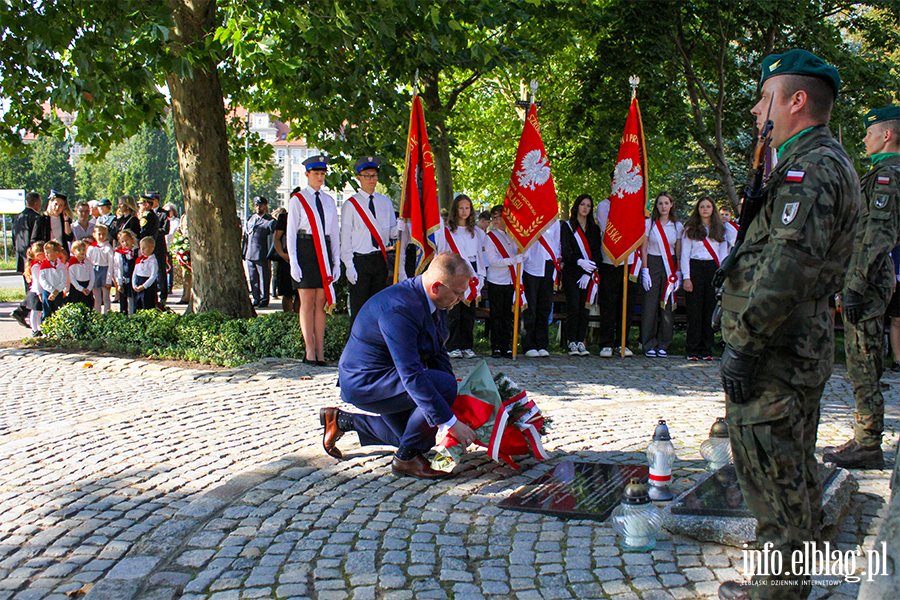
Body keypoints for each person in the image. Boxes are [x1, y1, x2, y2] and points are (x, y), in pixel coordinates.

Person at [717, 49, 860, 600]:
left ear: (796, 101)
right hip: (796, 346)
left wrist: (744, 344)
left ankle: (777, 596)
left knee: (773, 482)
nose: (757, 111)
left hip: (777, 351)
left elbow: (788, 265)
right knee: (794, 475)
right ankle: (786, 588)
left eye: (765, 97)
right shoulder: (812, 160)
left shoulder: (811, 167)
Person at [323, 252, 478, 479]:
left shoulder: (432, 300)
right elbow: (412, 375)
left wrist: (454, 402)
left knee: (414, 437)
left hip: (389, 377)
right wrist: (450, 421)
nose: (462, 297)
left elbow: (438, 351)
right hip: (367, 381)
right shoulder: (400, 308)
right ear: (436, 287)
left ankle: (342, 421)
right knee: (441, 390)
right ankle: (405, 460)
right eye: (457, 292)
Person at [823, 106, 900, 470]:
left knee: (864, 362)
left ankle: (869, 444)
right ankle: (864, 435)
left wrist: (855, 286)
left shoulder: (888, 178)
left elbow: (878, 236)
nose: (864, 138)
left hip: (868, 279)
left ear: (887, 135)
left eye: (870, 132)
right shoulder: (879, 175)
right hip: (864, 276)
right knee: (860, 360)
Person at [287, 155, 341, 366]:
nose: (320, 177)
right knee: (307, 302)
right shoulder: (298, 199)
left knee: (322, 303)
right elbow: (291, 234)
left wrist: (336, 261)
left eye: (322, 174)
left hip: (324, 250)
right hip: (306, 249)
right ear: (307, 174)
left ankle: (320, 350)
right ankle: (309, 349)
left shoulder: (328, 200)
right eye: (316, 173)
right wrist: (294, 261)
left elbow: (334, 233)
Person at [341, 156, 398, 324]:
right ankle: (356, 348)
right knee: (359, 310)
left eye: (374, 175)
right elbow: (345, 239)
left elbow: (391, 234)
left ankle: (375, 346)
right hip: (360, 261)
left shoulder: (385, 202)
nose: (372, 179)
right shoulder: (350, 205)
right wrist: (349, 266)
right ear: (359, 178)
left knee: (377, 309)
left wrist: (402, 227)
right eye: (367, 176)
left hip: (379, 259)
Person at [436, 194, 485, 359]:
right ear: (455, 209)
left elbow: (479, 254)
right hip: (454, 270)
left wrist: (480, 275)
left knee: (468, 311)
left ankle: (467, 345)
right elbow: (441, 251)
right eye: (461, 208)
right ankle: (453, 345)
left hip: (471, 269)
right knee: (454, 310)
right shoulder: (448, 231)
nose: (464, 211)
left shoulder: (476, 231)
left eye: (467, 208)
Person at [681, 197, 727, 361]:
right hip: (695, 269)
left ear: (713, 209)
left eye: (708, 206)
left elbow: (723, 255)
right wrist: (687, 277)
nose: (705, 209)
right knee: (694, 311)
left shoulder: (720, 229)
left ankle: (707, 349)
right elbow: (685, 255)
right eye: (702, 206)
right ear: (698, 209)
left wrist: (721, 276)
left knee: (709, 310)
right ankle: (693, 349)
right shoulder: (691, 229)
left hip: (712, 270)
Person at [639, 192, 682, 358]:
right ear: (656, 206)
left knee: (667, 305)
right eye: (660, 203)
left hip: (670, 266)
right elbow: (644, 249)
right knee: (649, 305)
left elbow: (678, 250)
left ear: (671, 205)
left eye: (666, 203)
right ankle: (648, 343)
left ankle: (664, 343)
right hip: (653, 263)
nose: (663, 206)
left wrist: (677, 272)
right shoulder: (649, 223)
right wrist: (645, 270)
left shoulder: (677, 226)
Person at [560, 193, 601, 356]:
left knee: (585, 308)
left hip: (589, 275)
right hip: (572, 272)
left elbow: (597, 253)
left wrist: (588, 272)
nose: (585, 208)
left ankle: (580, 341)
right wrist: (579, 262)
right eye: (583, 204)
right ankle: (571, 342)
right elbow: (566, 251)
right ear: (577, 206)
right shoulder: (567, 227)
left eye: (588, 205)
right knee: (573, 307)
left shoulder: (594, 229)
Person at [595, 194, 636, 358]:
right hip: (610, 260)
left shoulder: (634, 204)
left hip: (630, 261)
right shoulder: (604, 205)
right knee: (608, 303)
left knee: (626, 304)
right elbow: (607, 228)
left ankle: (622, 342)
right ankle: (606, 343)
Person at [484, 205, 524, 358]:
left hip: (511, 281)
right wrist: (513, 260)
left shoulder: (513, 235)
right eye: (493, 218)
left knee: (509, 315)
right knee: (496, 315)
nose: (495, 220)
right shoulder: (490, 237)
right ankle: (495, 346)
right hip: (496, 280)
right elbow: (493, 261)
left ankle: (507, 345)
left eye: (498, 217)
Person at [521, 218, 560, 358]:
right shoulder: (530, 216)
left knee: (544, 306)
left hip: (548, 263)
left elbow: (556, 244)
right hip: (531, 264)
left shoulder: (554, 221)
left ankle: (542, 343)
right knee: (530, 306)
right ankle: (528, 344)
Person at [243, 196, 277, 308]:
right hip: (250, 253)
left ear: (265, 206)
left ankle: (264, 298)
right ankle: (256, 297)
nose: (258, 207)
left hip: (262, 254)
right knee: (252, 278)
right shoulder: (250, 219)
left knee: (263, 277)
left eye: (260, 205)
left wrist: (270, 254)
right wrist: (244, 251)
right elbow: (246, 237)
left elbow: (273, 240)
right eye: (256, 205)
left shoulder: (270, 221)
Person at [142, 192, 170, 307]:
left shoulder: (163, 213)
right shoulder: (145, 213)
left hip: (158, 246)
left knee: (161, 271)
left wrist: (153, 231)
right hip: (147, 246)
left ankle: (163, 296)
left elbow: (165, 229)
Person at [14, 192, 41, 293]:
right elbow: (35, 237)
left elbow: (14, 237)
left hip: (21, 253)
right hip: (32, 254)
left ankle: (28, 304)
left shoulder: (17, 217)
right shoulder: (36, 217)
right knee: (35, 284)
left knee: (27, 282)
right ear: (36, 203)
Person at [86, 225, 114, 314]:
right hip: (94, 270)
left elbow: (111, 264)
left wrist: (108, 280)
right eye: (99, 234)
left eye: (104, 234)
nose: (101, 236)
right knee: (96, 297)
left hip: (104, 271)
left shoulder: (108, 248)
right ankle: (97, 314)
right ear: (94, 235)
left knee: (106, 297)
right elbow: (88, 262)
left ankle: (107, 315)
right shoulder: (91, 247)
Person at [38, 240, 67, 322]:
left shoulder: (61, 266)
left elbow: (63, 279)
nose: (46, 255)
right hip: (47, 291)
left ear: (56, 254)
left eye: (48, 253)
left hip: (58, 291)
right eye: (45, 253)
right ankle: (45, 330)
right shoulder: (44, 265)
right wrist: (52, 290)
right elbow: (42, 280)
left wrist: (57, 291)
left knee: (58, 311)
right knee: (47, 311)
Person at [112, 230, 138, 315]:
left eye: (127, 240)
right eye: (122, 241)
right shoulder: (119, 254)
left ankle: (132, 315)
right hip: (125, 279)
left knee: (133, 299)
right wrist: (119, 283)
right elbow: (118, 268)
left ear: (132, 239)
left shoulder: (136, 251)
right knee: (123, 300)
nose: (125, 243)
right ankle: (124, 316)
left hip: (135, 280)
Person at [24, 243, 46, 337]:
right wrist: (39, 293)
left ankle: (38, 328)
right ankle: (35, 329)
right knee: (35, 312)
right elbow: (37, 280)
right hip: (36, 291)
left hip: (38, 291)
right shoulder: (36, 266)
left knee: (38, 311)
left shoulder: (38, 264)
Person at [133, 237, 159, 311]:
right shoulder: (139, 260)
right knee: (137, 305)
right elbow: (135, 273)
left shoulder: (152, 261)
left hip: (147, 285)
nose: (142, 250)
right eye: (141, 248)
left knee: (147, 305)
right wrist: (134, 285)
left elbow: (153, 276)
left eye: (144, 248)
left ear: (152, 248)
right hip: (138, 282)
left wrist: (144, 286)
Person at [66, 240, 94, 308]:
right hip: (77, 287)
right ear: (74, 251)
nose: (82, 251)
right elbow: (72, 278)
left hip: (87, 286)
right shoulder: (72, 263)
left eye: (83, 249)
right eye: (79, 250)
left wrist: (89, 288)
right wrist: (81, 289)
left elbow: (92, 276)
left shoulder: (87, 262)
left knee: (88, 306)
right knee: (77, 306)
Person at [163, 203, 180, 295]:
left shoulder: (176, 221)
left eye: (169, 211)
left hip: (169, 246)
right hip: (162, 246)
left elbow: (171, 233)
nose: (167, 213)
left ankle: (169, 286)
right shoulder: (163, 220)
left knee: (169, 266)